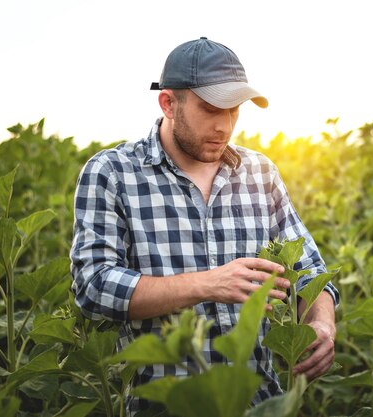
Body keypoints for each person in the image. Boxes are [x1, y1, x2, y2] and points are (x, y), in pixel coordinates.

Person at [70, 36, 339, 415]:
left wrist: (322, 323)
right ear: (168, 103)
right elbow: (93, 286)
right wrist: (207, 284)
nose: (224, 125)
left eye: (234, 111)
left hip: (258, 401)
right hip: (165, 404)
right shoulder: (113, 173)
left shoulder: (259, 171)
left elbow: (310, 272)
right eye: (211, 109)